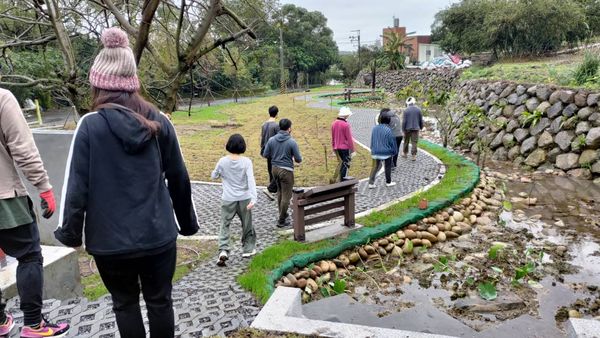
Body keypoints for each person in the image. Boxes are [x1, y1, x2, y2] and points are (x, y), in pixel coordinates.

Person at [54, 27, 198, 338]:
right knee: (161, 302)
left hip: (110, 244)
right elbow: (179, 178)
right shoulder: (160, 121)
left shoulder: (89, 127)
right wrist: (187, 225)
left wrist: (70, 233)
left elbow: (76, 187)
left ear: (98, 84)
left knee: (124, 305)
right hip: (158, 237)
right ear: (132, 82)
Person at [0, 89, 70, 338]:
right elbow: (22, 147)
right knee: (29, 256)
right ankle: (33, 324)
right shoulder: (2, 98)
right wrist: (43, 186)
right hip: (4, 197)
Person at [212, 134, 257, 266]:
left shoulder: (222, 161)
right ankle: (247, 249)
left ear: (229, 145)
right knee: (247, 224)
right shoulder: (246, 162)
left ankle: (223, 249)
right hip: (244, 198)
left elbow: (214, 175)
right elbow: (251, 180)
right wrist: (254, 198)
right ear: (243, 146)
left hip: (228, 198)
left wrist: (216, 173)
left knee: (225, 224)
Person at [262, 118, 302, 228]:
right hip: (286, 171)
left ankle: (282, 213)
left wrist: (275, 155)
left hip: (274, 169)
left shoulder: (271, 140)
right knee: (286, 196)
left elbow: (265, 154)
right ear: (289, 128)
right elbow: (298, 159)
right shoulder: (291, 141)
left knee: (279, 191)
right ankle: (281, 219)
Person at [368, 112, 397, 188]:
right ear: (388, 121)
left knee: (375, 167)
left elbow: (372, 140)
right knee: (387, 166)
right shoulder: (388, 130)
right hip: (386, 152)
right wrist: (394, 151)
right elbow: (391, 142)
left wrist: (372, 149)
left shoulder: (374, 128)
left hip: (375, 151)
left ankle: (371, 183)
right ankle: (388, 182)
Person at [260, 106, 279, 200]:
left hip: (266, 150)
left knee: (270, 169)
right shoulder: (276, 125)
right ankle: (272, 189)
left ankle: (274, 188)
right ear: (277, 113)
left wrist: (262, 148)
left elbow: (262, 138)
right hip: (275, 151)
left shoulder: (263, 125)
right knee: (277, 170)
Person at [331, 107, 355, 182]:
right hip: (345, 148)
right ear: (345, 116)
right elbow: (349, 138)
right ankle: (343, 181)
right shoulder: (346, 125)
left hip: (337, 148)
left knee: (341, 163)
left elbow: (333, 137)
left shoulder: (334, 123)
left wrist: (333, 147)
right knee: (346, 165)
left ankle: (336, 179)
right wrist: (353, 150)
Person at [402, 97, 424, 161]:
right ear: (414, 102)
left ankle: (405, 153)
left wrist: (403, 130)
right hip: (416, 129)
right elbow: (421, 120)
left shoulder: (406, 110)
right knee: (414, 142)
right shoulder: (418, 110)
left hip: (407, 129)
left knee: (406, 141)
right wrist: (421, 127)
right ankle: (413, 156)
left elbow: (404, 121)